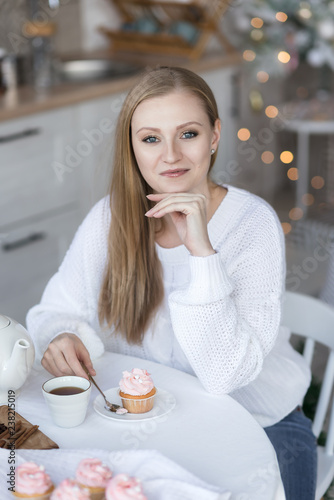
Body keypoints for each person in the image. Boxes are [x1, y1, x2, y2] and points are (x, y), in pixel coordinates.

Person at [26, 66, 317, 499]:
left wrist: (202, 253)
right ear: (133, 147)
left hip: (262, 426)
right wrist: (60, 335)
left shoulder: (252, 225)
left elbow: (223, 376)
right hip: (150, 427)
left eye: (189, 134)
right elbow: (53, 313)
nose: (170, 157)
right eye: (150, 138)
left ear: (215, 136)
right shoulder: (111, 218)